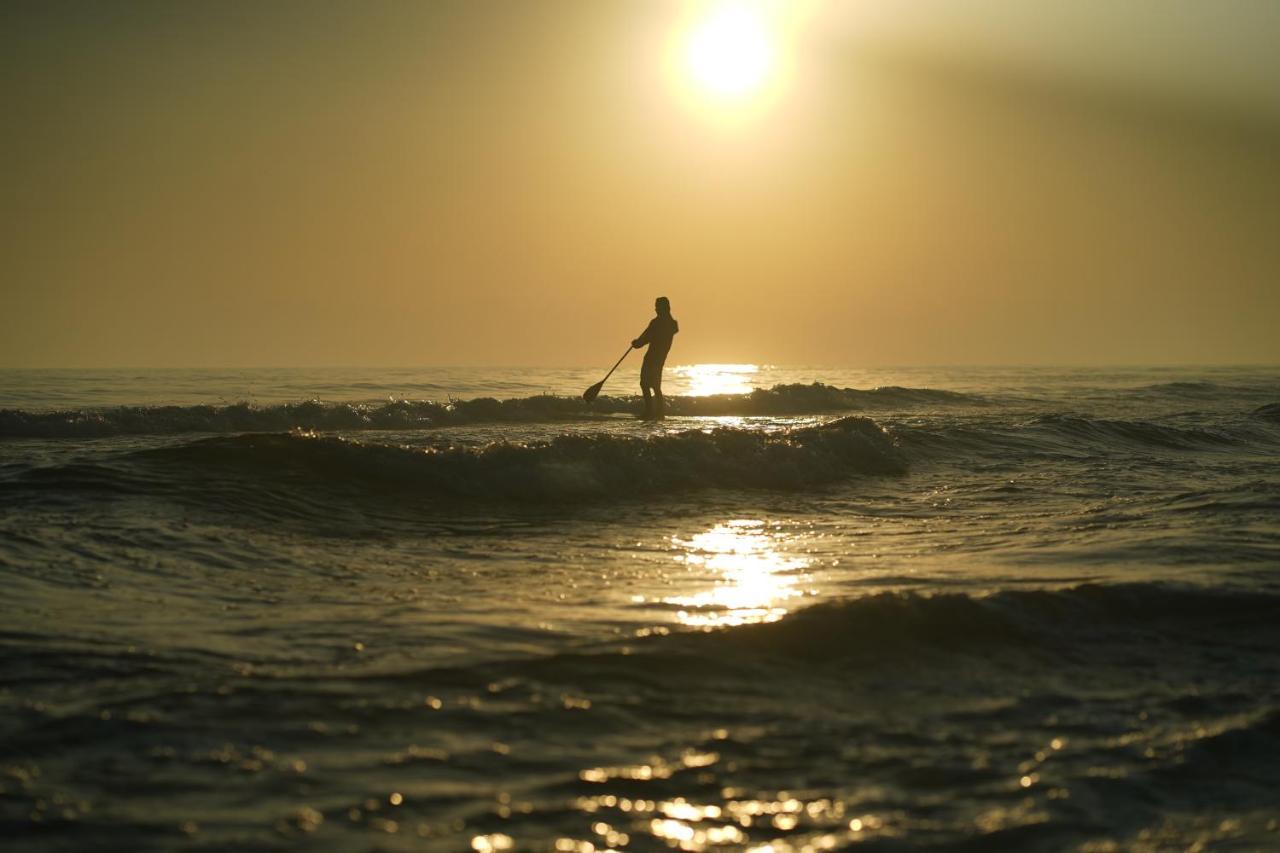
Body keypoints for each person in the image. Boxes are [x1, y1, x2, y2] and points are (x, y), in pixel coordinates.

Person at [632, 296, 679, 419]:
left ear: (665, 308)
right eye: (656, 307)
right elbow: (647, 336)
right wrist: (638, 342)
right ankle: (658, 412)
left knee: (646, 384)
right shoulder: (670, 323)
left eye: (658, 307)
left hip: (653, 358)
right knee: (653, 385)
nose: (656, 309)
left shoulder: (659, 323)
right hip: (659, 359)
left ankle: (651, 412)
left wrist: (637, 343)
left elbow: (647, 337)